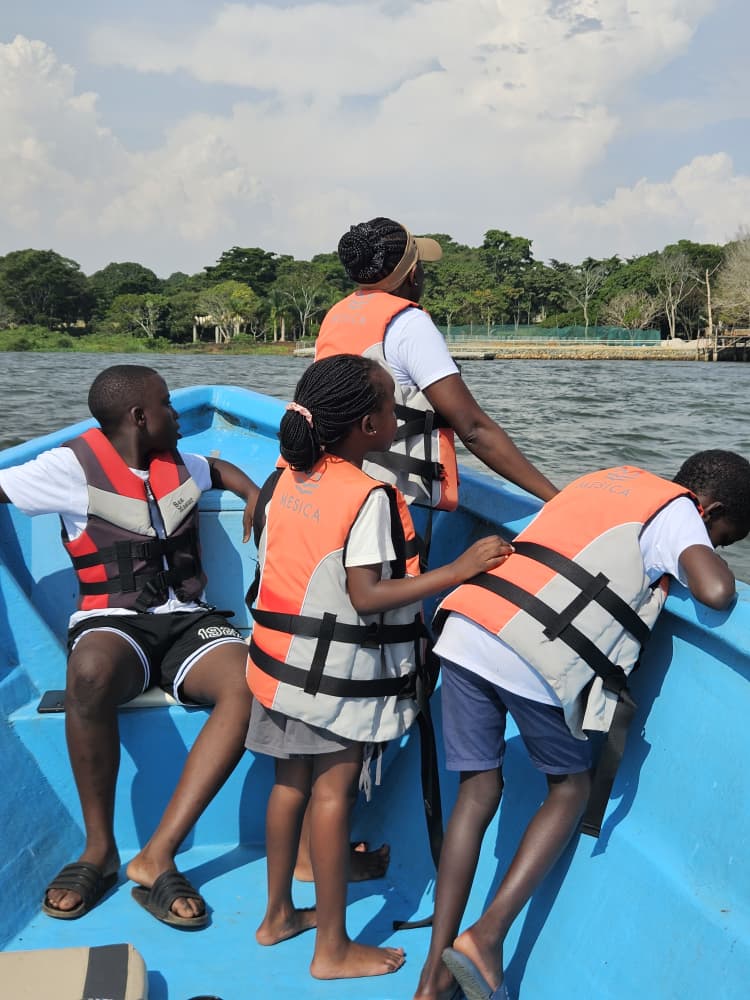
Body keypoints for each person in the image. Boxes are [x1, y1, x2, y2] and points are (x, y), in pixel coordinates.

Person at [413, 450, 750, 1000]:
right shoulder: (680, 511)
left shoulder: (608, 479)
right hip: (532, 652)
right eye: (723, 537)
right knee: (570, 789)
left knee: (477, 792)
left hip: (468, 626)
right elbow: (716, 590)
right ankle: (486, 938)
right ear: (709, 510)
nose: (715, 544)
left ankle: (432, 980)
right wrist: (705, 553)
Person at [244, 354, 513, 981]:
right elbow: (366, 596)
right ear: (369, 426)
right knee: (331, 794)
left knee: (290, 786)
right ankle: (332, 949)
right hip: (331, 680)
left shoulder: (285, 478)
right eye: (392, 406)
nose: (399, 415)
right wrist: (460, 570)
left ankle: (277, 914)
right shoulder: (366, 497)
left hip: (278, 669)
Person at [0, 364, 259, 929]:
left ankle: (157, 855)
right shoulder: (67, 468)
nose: (177, 415)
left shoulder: (182, 463)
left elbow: (220, 469)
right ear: (140, 417)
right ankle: (99, 850)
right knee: (88, 673)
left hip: (189, 621)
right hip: (115, 622)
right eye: (166, 404)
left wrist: (252, 492)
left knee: (249, 680)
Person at [316, 216, 558, 510]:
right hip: (389, 504)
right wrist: (557, 499)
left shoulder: (336, 316)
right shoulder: (410, 324)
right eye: (420, 265)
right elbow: (474, 430)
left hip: (334, 487)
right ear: (412, 275)